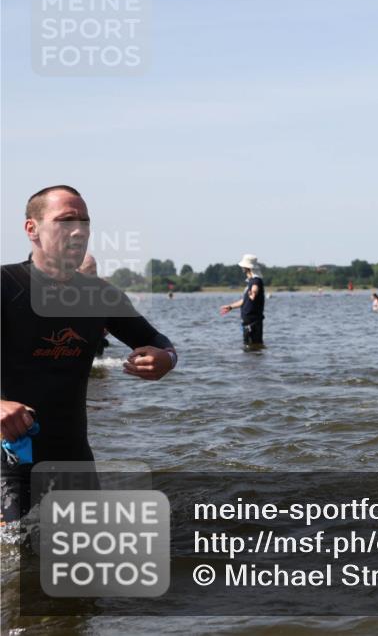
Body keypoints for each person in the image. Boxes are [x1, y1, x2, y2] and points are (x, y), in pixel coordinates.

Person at [1, 185, 177, 522]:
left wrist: (166, 359)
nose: (79, 230)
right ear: (32, 229)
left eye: (85, 221)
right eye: (66, 220)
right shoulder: (5, 284)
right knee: (15, 560)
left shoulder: (100, 295)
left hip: (73, 457)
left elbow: (159, 340)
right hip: (8, 457)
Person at [220, 254, 265, 347]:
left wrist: (253, 293)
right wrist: (231, 307)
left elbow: (255, 289)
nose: (242, 268)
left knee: (253, 348)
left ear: (247, 267)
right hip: (248, 322)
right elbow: (244, 300)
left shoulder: (256, 281)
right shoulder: (251, 281)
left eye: (243, 266)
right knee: (251, 348)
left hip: (253, 323)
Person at [77, 253, 111, 358]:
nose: (93, 270)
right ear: (77, 270)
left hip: (96, 339)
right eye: (89, 267)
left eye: (95, 266)